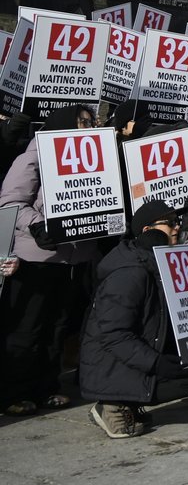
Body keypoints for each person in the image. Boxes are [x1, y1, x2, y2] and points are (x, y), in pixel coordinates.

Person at [0, 105, 104, 416]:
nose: (88, 126)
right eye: (82, 121)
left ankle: (47, 387)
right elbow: (10, 200)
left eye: (91, 121)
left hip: (75, 260)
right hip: (38, 257)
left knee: (58, 327)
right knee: (28, 327)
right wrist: (37, 224)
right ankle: (12, 392)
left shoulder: (98, 157)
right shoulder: (38, 151)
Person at [78, 199, 188, 438]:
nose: (177, 228)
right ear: (148, 231)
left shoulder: (158, 261)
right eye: (171, 223)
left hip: (133, 356)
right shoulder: (130, 272)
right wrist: (156, 363)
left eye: (178, 222)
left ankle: (131, 402)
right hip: (110, 366)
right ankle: (112, 404)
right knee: (187, 376)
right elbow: (114, 335)